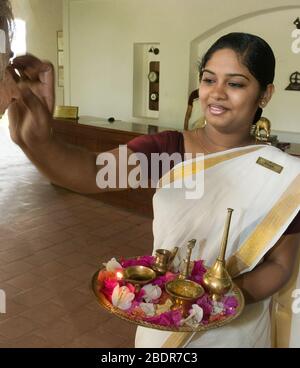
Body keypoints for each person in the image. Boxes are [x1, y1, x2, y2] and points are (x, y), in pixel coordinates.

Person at [6, 31, 300, 348]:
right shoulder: (169, 152)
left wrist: (212, 304)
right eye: (208, 79)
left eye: (235, 83)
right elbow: (90, 173)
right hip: (164, 321)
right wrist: (38, 139)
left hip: (236, 331)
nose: (216, 93)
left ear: (264, 94)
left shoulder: (284, 175)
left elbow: (281, 265)